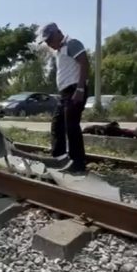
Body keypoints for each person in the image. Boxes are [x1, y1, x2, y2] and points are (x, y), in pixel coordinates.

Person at [41, 22, 90, 173]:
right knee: (57, 125)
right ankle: (59, 157)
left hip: (75, 89)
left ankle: (78, 163)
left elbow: (84, 63)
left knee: (71, 126)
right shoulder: (58, 51)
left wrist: (80, 89)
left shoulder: (72, 44)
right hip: (65, 93)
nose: (49, 43)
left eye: (50, 39)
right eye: (46, 41)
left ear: (58, 33)